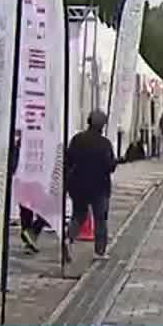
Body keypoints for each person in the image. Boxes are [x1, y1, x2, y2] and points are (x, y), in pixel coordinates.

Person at [64, 109, 118, 261]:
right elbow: (110, 166)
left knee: (79, 215)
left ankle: (68, 238)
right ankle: (99, 251)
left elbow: (68, 160)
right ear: (102, 125)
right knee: (100, 219)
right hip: (99, 187)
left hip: (78, 185)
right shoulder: (105, 144)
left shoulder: (77, 139)